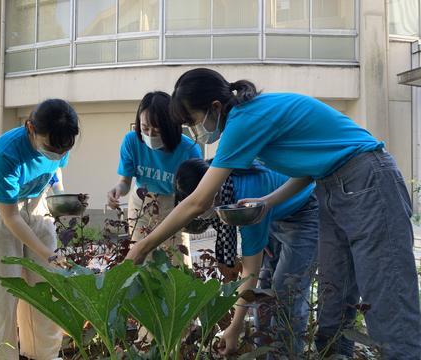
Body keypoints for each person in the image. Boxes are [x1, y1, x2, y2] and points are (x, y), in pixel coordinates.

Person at [126, 68, 421, 358]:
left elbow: (198, 201)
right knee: (335, 295)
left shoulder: (243, 120)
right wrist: (268, 201)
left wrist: (143, 245)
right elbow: (310, 169)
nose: (195, 131)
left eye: (193, 121)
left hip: (367, 180)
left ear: (214, 107)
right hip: (331, 186)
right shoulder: (250, 118)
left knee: (387, 297)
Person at [174, 158, 318, 355]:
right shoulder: (224, 184)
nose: (198, 210)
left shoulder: (244, 201)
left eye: (199, 202)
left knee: (287, 294)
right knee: (262, 295)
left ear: (210, 187)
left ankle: (286, 355)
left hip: (305, 211)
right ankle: (264, 354)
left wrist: (235, 327)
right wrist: (262, 235)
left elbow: (250, 272)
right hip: (274, 215)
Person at [0, 99, 79, 359]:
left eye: (63, 149)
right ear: (30, 127)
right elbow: (10, 217)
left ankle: (45, 354)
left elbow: (54, 170)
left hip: (37, 200)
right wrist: (48, 253)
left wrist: (59, 196)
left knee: (45, 283)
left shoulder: (60, 138)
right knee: (2, 289)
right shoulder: (5, 151)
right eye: (50, 147)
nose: (57, 153)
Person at [107, 91, 201, 266]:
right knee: (140, 258)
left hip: (173, 207)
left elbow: (194, 196)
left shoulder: (188, 150)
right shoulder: (131, 141)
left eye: (157, 129)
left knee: (175, 262)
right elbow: (125, 182)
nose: (150, 134)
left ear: (171, 126)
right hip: (141, 205)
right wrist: (118, 190)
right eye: (145, 128)